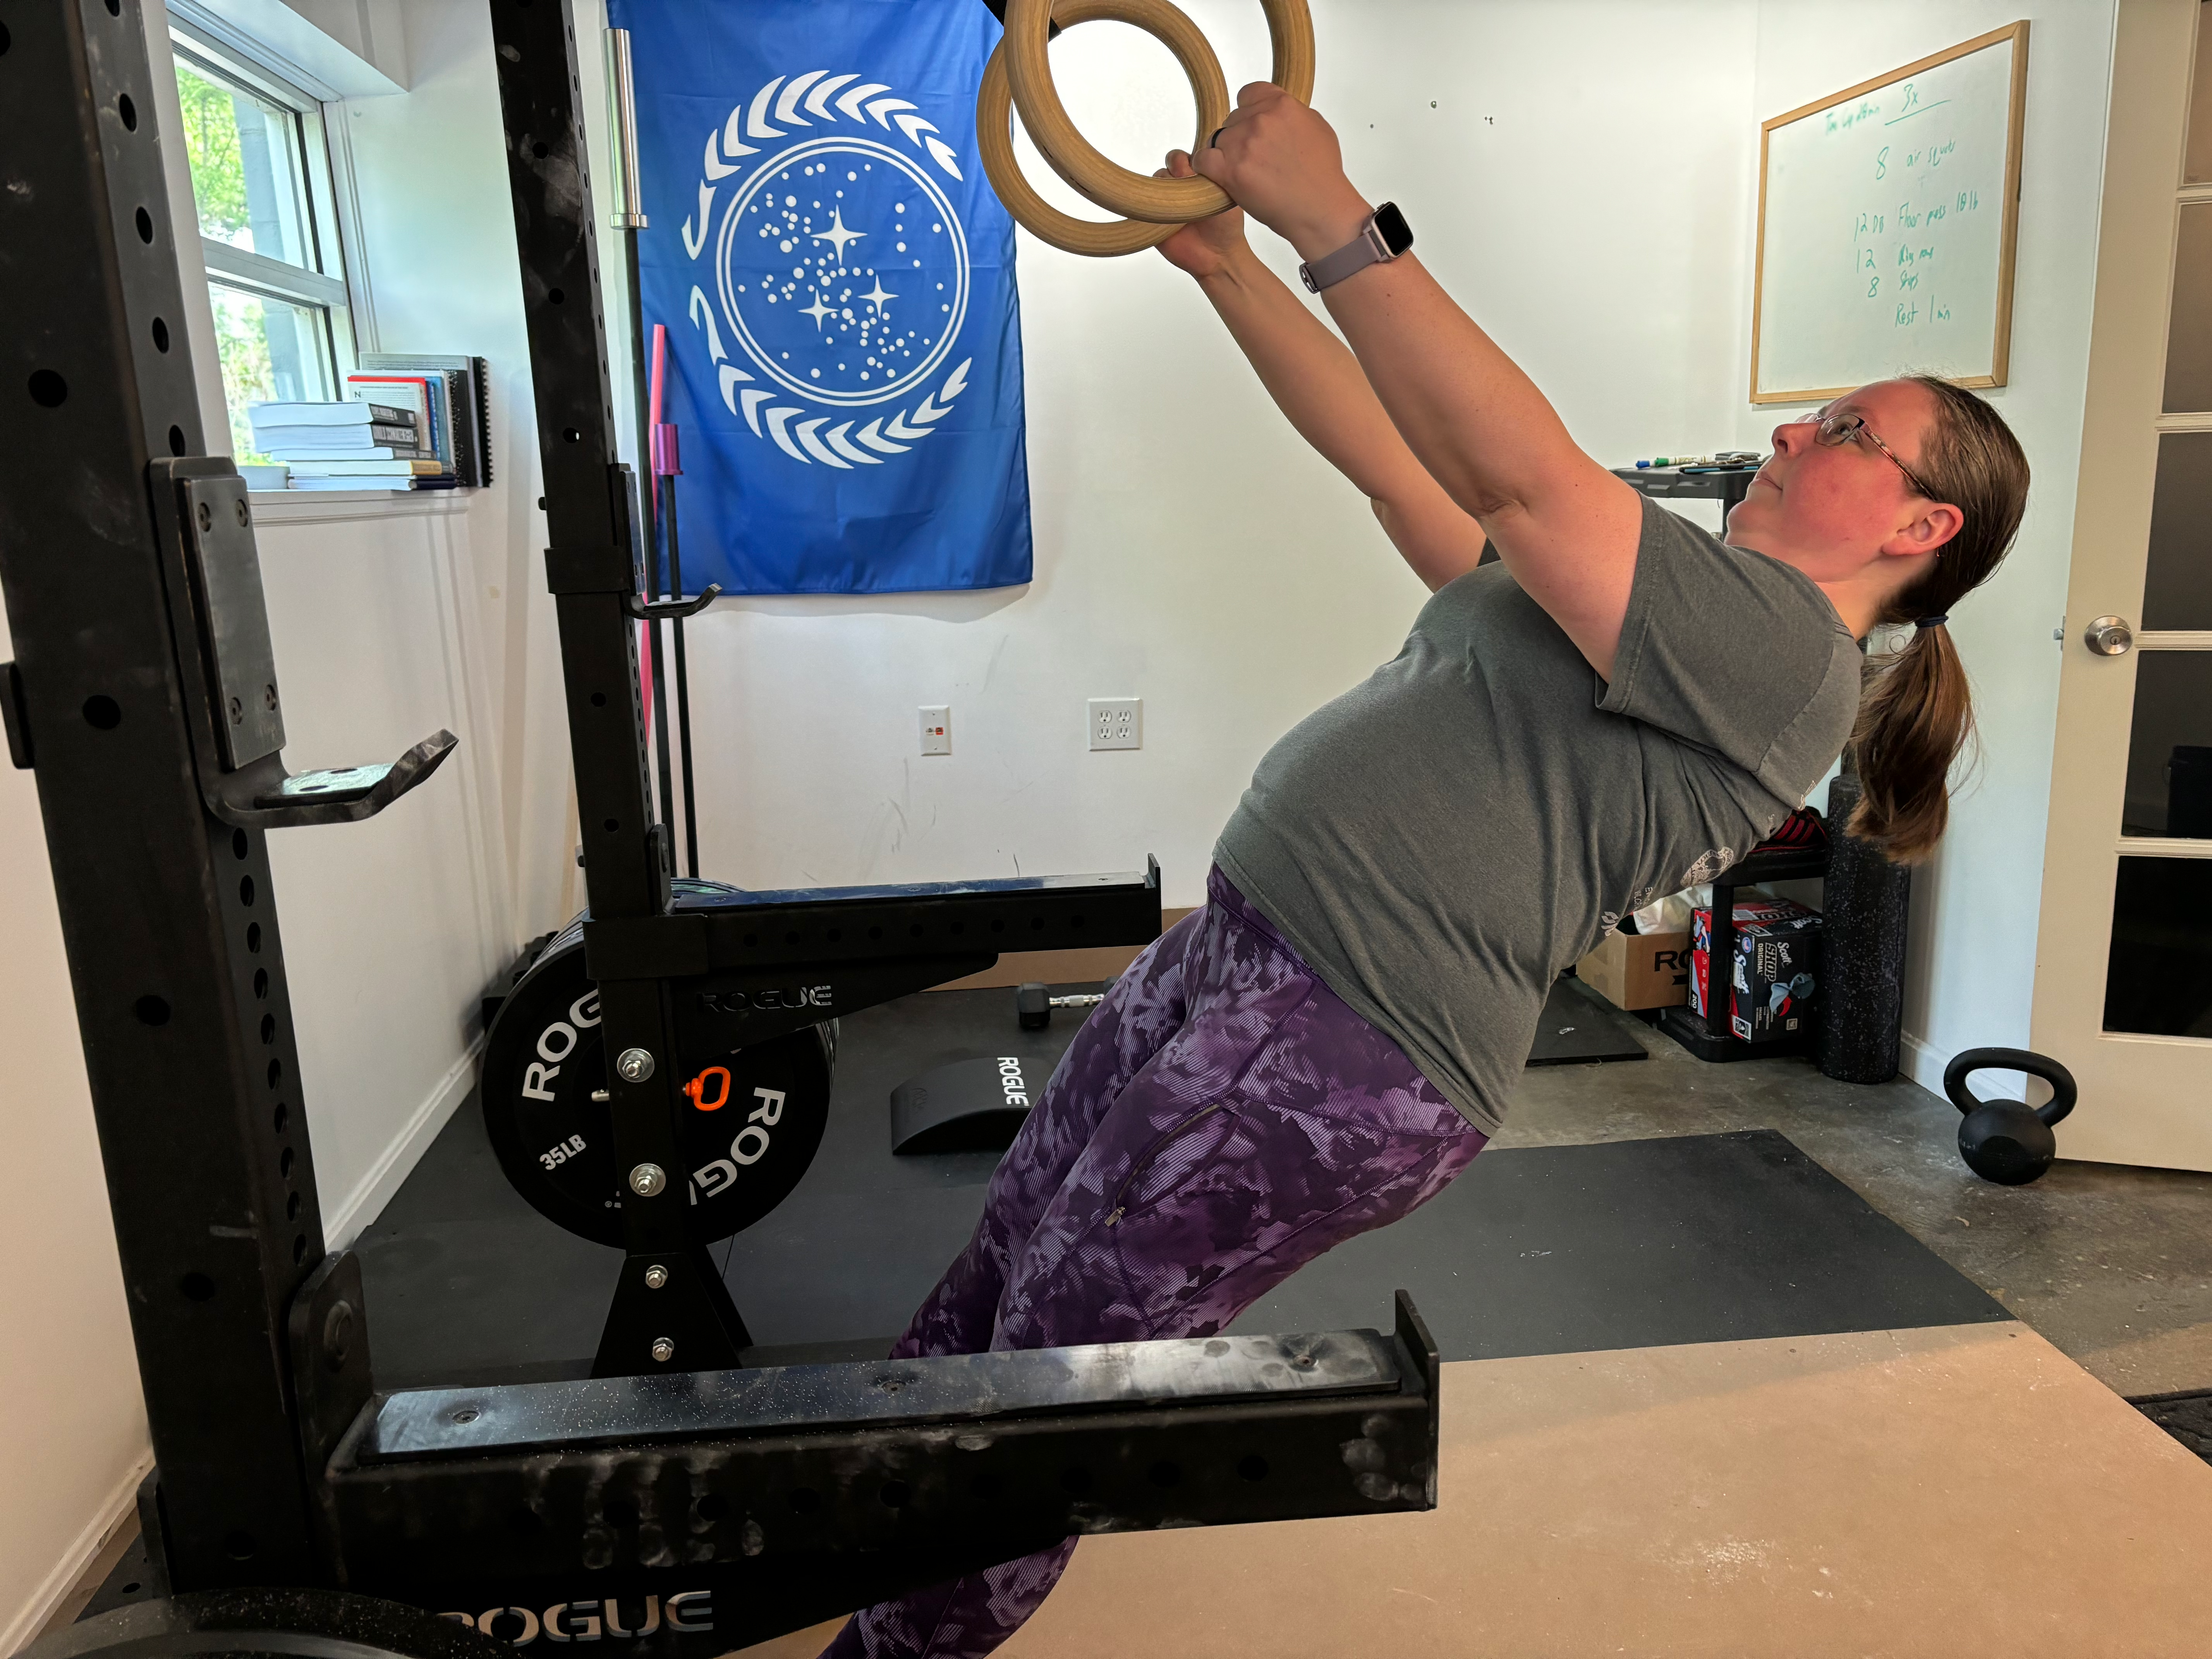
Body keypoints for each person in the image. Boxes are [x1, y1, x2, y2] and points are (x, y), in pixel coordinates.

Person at [824, 82, 2028, 1659]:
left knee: (1057, 1372)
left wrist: (1335, 219)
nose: (1797, 425)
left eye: (1849, 429)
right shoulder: (1674, 588)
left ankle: (888, 1645)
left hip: (1347, 1045)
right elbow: (1410, 472)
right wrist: (1232, 270)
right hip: (1251, 953)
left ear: (1922, 519)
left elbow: (1519, 471)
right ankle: (842, 1543)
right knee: (1007, 1260)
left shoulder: (1787, 647)